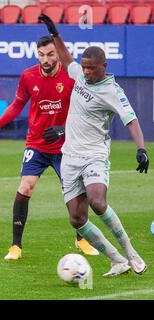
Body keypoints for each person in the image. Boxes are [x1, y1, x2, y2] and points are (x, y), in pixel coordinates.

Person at [39, 14, 149, 276]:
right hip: (70, 156)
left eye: (91, 68)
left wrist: (141, 148)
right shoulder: (78, 76)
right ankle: (117, 260)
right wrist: (55, 33)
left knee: (98, 202)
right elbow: (66, 59)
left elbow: (131, 120)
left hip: (94, 154)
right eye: (85, 67)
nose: (86, 72)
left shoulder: (114, 91)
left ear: (104, 66)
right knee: (76, 218)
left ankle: (131, 252)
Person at [0, 36, 98, 260]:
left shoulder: (71, 77)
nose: (46, 59)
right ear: (37, 55)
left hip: (66, 145)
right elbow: (16, 105)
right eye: (42, 55)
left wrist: (63, 129)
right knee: (26, 187)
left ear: (58, 55)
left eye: (51, 54)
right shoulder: (28, 76)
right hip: (37, 143)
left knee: (75, 192)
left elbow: (85, 111)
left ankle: (81, 238)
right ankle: (16, 246)